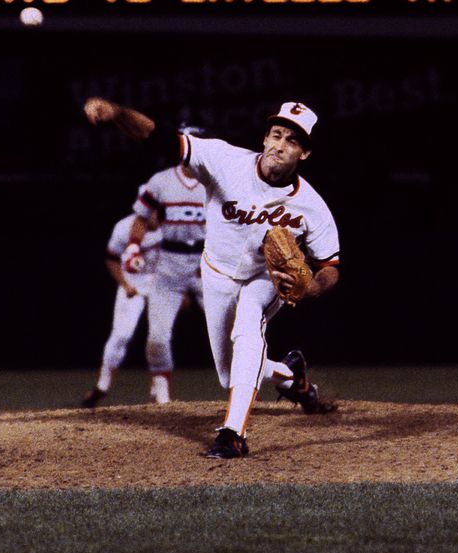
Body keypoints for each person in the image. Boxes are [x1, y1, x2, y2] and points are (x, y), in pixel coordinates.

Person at [84, 97, 341, 459]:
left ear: (305, 154)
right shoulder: (224, 160)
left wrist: (314, 286)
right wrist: (117, 114)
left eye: (293, 141)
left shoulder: (311, 206)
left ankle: (233, 434)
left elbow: (331, 265)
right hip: (216, 275)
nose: (281, 145)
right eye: (277, 134)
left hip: (265, 280)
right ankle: (291, 376)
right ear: (265, 137)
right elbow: (159, 138)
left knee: (249, 329)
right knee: (228, 375)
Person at [121, 130, 209, 403]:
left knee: (233, 333)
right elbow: (140, 217)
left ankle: (245, 394)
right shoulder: (161, 181)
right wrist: (133, 245)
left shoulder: (216, 181)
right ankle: (163, 400)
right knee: (157, 337)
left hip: (208, 264)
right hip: (170, 262)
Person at [79, 212, 167, 408]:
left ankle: (159, 395)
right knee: (121, 335)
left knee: (159, 338)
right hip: (132, 284)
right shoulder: (124, 227)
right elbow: (111, 258)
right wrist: (125, 284)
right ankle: (101, 387)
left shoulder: (171, 225)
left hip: (161, 285)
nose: (153, 214)